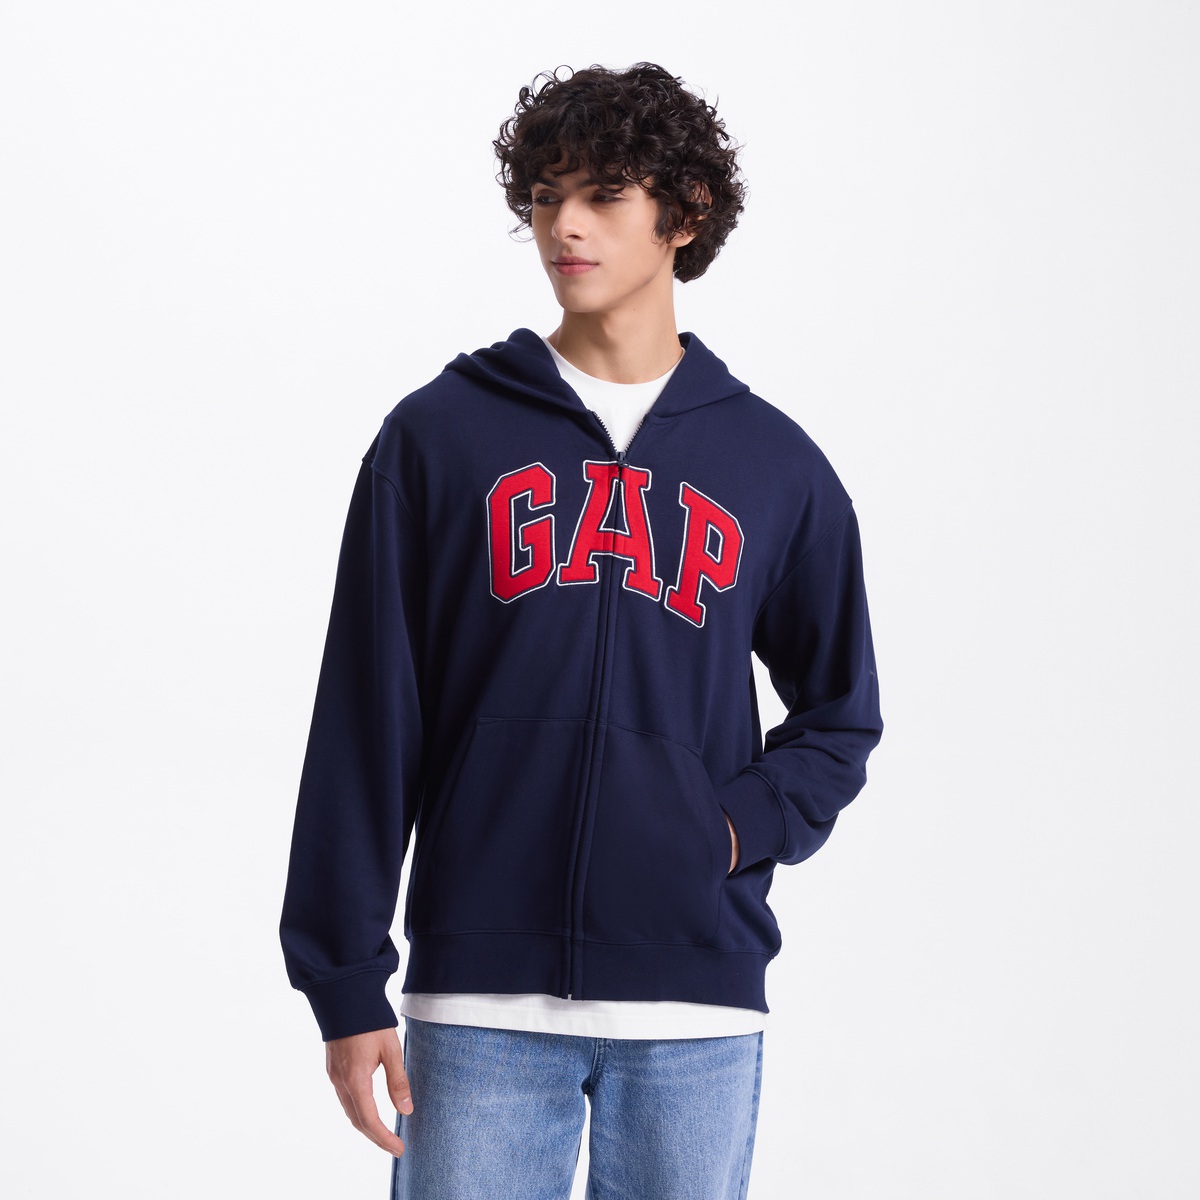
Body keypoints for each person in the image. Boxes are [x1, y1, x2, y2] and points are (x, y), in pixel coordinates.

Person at [279, 61, 883, 1199]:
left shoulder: (775, 468)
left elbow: (841, 714)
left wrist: (727, 829)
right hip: (478, 1003)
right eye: (547, 195)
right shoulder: (439, 438)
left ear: (684, 214)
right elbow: (365, 720)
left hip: (694, 1002)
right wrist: (344, 979)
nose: (565, 225)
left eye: (604, 195)